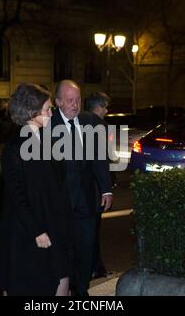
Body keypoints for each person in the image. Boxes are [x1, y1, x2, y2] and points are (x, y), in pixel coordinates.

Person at [0, 83, 73, 296]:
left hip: (53, 224)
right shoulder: (14, 147)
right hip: (28, 232)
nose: (51, 113)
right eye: (48, 109)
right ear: (31, 111)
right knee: (29, 284)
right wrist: (36, 230)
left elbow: (59, 183)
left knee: (61, 277)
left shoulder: (48, 139)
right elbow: (16, 194)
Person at [51, 80, 113, 296]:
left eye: (77, 99)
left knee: (86, 249)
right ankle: (65, 288)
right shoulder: (48, 125)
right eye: (69, 100)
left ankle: (82, 289)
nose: (75, 105)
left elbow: (99, 158)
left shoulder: (90, 121)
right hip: (60, 204)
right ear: (58, 102)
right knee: (65, 250)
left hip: (86, 201)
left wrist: (106, 189)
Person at [85, 91, 113, 279]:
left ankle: (94, 265)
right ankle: (95, 266)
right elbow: (101, 159)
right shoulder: (100, 126)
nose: (107, 110)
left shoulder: (78, 123)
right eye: (105, 107)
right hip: (95, 189)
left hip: (83, 187)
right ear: (99, 107)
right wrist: (107, 187)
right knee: (93, 231)